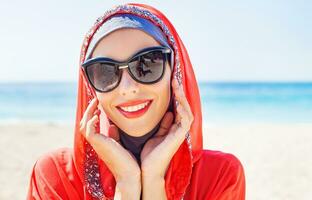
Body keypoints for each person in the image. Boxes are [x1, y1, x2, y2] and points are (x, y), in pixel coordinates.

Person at [27, 3, 245, 200]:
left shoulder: (219, 175)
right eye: (104, 71)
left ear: (175, 71)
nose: (128, 88)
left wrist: (154, 179)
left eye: (148, 63)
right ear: (91, 87)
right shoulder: (55, 176)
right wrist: (126, 183)